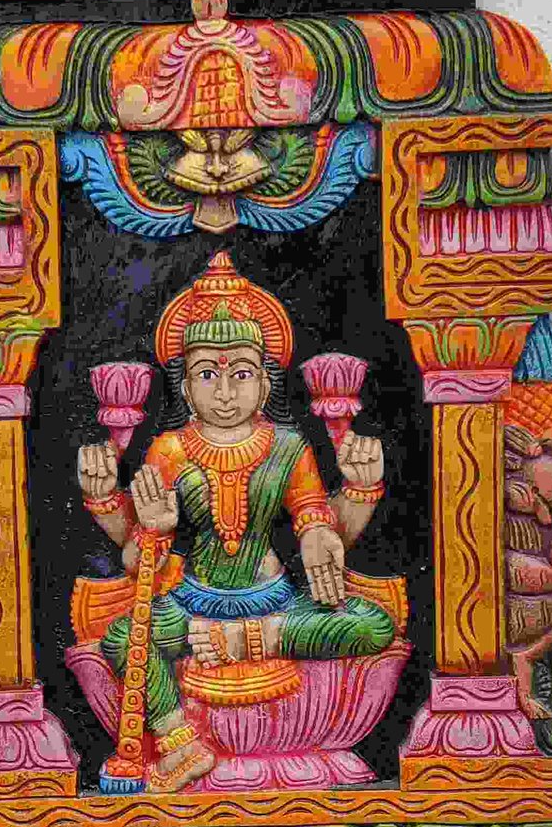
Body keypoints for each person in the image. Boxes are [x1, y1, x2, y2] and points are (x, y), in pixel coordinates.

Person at [77, 254, 392, 788]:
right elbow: (137, 562)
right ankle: (180, 743)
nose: (225, 392)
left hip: (273, 604)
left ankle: (249, 640)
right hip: (193, 604)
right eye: (207, 374)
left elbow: (313, 518)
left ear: (265, 385)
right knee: (125, 637)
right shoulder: (170, 449)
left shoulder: (288, 447)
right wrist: (147, 526)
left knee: (372, 624)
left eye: (241, 374)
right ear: (185, 388)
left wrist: (327, 527)